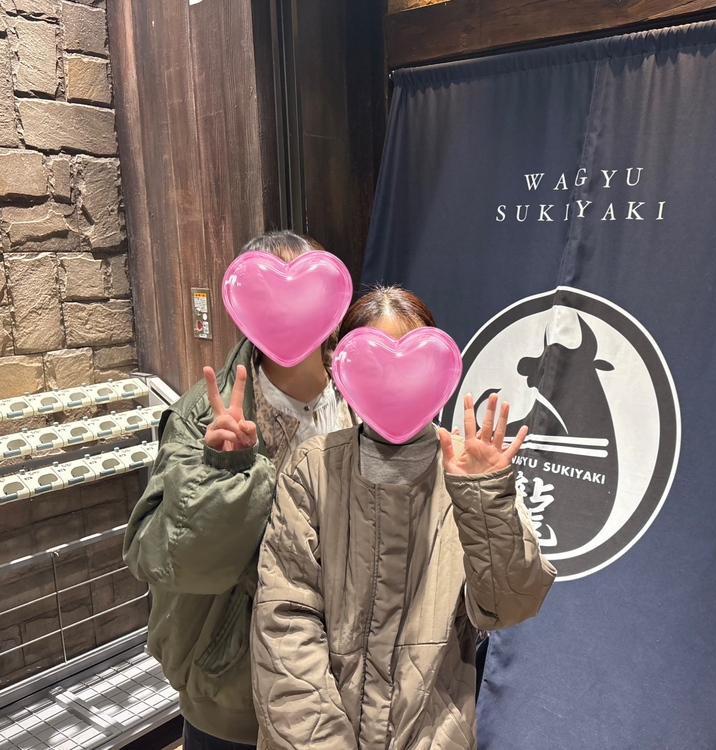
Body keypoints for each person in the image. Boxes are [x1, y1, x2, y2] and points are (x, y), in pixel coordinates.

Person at [250, 286, 557, 750]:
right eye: (371, 367)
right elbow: (285, 621)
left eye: (413, 366)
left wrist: (484, 500)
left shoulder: (466, 473)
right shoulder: (312, 468)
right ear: (343, 374)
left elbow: (509, 605)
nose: (393, 383)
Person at [123, 231, 355, 750]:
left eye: (309, 295)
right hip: (234, 694)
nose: (292, 312)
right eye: (271, 297)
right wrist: (223, 474)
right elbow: (163, 559)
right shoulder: (200, 417)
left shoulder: (367, 399)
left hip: (349, 683)